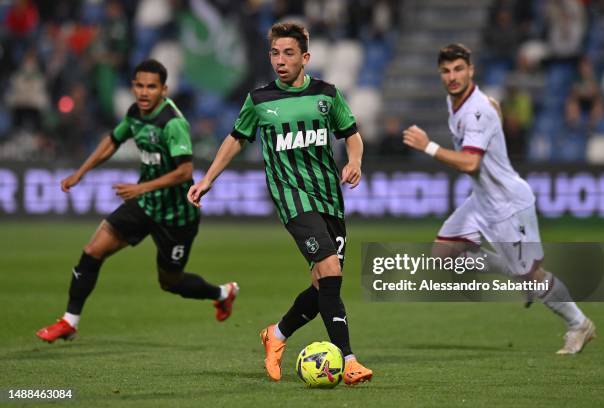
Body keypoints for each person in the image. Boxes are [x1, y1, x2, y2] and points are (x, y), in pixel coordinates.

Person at [187, 22, 373, 385]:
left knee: (324, 286)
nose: (280, 60)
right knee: (330, 270)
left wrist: (355, 162)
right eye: (275, 53)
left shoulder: (327, 94)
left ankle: (277, 334)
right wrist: (207, 179)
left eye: (288, 53)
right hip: (291, 197)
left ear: (305, 57)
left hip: (329, 198)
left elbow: (352, 135)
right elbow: (235, 139)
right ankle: (348, 360)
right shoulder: (259, 100)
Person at [402, 44, 595, 355]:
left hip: (508, 206)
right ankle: (516, 271)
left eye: (459, 69)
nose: (452, 76)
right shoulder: (464, 102)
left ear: (471, 70)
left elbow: (470, 163)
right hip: (482, 201)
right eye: (446, 71)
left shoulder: (477, 110)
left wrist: (428, 147)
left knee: (533, 278)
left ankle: (578, 324)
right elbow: (494, 111)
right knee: (442, 253)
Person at [36, 59, 238, 343]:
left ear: (164, 89)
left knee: (170, 282)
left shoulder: (173, 123)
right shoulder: (135, 113)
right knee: (93, 250)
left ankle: (223, 293)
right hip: (144, 204)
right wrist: (80, 173)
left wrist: (141, 188)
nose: (144, 92)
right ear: (133, 86)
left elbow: (185, 172)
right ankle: (69, 321)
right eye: (139, 86)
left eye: (151, 87)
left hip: (176, 215)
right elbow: (112, 140)